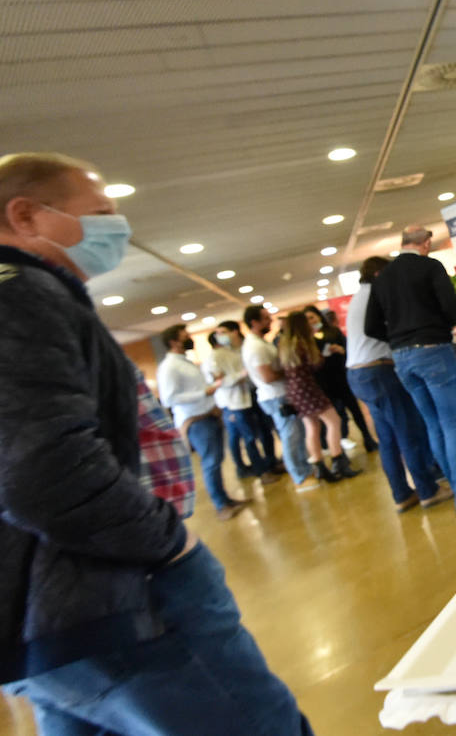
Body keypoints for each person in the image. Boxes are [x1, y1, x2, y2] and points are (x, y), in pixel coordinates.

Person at [0, 152, 312, 734]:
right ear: (26, 216)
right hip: (110, 602)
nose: (115, 227)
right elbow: (44, 471)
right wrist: (171, 545)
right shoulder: (22, 296)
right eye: (99, 212)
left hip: (47, 623)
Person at [365, 223, 456, 524]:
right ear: (426, 243)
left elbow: (371, 326)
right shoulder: (430, 267)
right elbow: (452, 310)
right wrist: (438, 325)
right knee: (453, 424)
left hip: (402, 359)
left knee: (433, 425)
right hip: (434, 351)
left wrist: (398, 337)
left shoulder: (382, 278)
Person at [346, 256, 451, 513]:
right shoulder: (376, 294)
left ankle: (401, 495)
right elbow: (380, 330)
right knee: (408, 432)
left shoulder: (358, 297)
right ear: (380, 273)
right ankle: (428, 490)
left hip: (358, 374)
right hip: (379, 371)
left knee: (388, 438)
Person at [155, 323, 245, 521]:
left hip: (208, 415)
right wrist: (204, 392)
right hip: (195, 422)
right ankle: (221, 505)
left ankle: (225, 499)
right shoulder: (169, 366)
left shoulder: (184, 362)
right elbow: (168, 398)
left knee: (217, 459)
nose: (190, 338)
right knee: (211, 463)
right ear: (174, 342)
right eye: (185, 336)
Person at [242, 303, 317, 493]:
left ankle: (305, 470)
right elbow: (267, 377)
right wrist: (291, 371)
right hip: (275, 397)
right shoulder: (255, 347)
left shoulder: (262, 343)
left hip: (281, 394)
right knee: (290, 435)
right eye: (266, 318)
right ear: (255, 322)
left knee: (296, 433)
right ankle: (299, 476)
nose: (270, 322)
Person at [277, 310, 359, 484]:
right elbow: (316, 363)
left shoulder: (285, 345)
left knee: (312, 427)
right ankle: (338, 461)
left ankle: (319, 465)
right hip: (308, 388)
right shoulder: (303, 343)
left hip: (295, 391)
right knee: (333, 421)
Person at [207, 320, 278, 482]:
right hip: (235, 402)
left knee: (265, 431)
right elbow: (220, 381)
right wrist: (241, 375)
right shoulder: (217, 355)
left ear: (235, 332)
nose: (220, 336)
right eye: (218, 333)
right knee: (248, 437)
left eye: (223, 332)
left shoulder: (245, 348)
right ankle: (261, 471)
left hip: (254, 394)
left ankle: (271, 463)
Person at [304, 304, 377, 453]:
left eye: (312, 317)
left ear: (318, 316)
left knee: (355, 410)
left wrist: (340, 350)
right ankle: (339, 445)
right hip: (324, 382)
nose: (310, 321)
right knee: (336, 415)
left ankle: (367, 438)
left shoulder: (333, 331)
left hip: (342, 377)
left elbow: (349, 350)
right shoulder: (307, 340)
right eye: (307, 319)